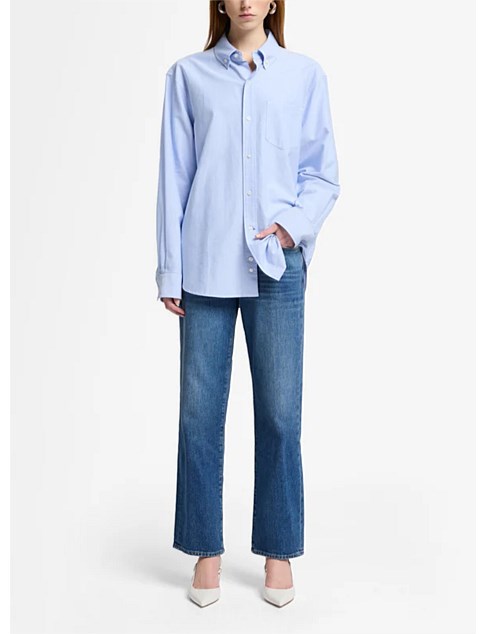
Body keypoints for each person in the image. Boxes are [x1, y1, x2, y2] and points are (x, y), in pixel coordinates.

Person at [155, 0, 340, 608]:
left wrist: (290, 228)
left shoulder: (304, 75)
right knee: (198, 415)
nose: (244, 1)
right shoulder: (187, 76)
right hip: (205, 264)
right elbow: (174, 176)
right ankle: (205, 550)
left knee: (281, 415)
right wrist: (170, 269)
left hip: (277, 266)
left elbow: (322, 174)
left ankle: (278, 551)